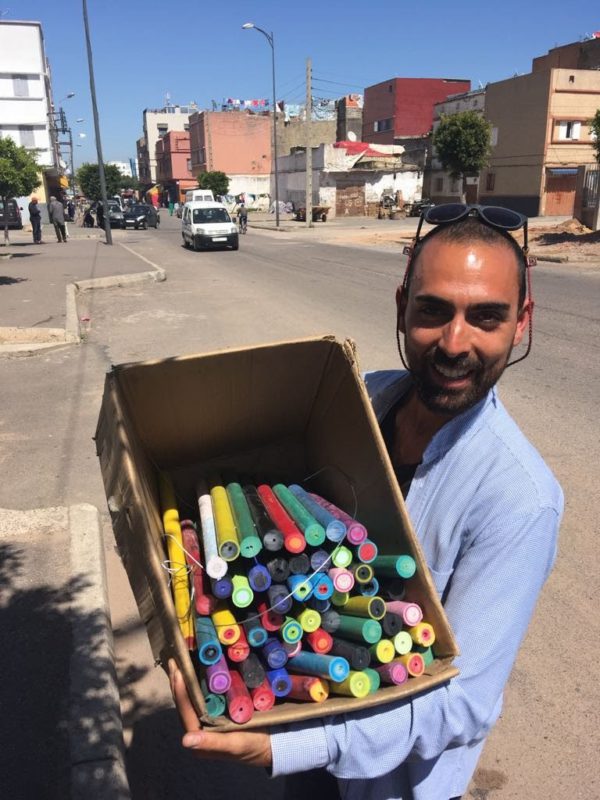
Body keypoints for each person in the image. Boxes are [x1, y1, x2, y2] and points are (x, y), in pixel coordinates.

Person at [169, 204, 563, 800]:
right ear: (402, 303)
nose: (455, 343)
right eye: (433, 310)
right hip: (304, 720)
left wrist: (290, 746)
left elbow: (463, 703)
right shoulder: (365, 399)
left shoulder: (520, 499)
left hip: (391, 783)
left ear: (522, 321)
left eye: (486, 317)